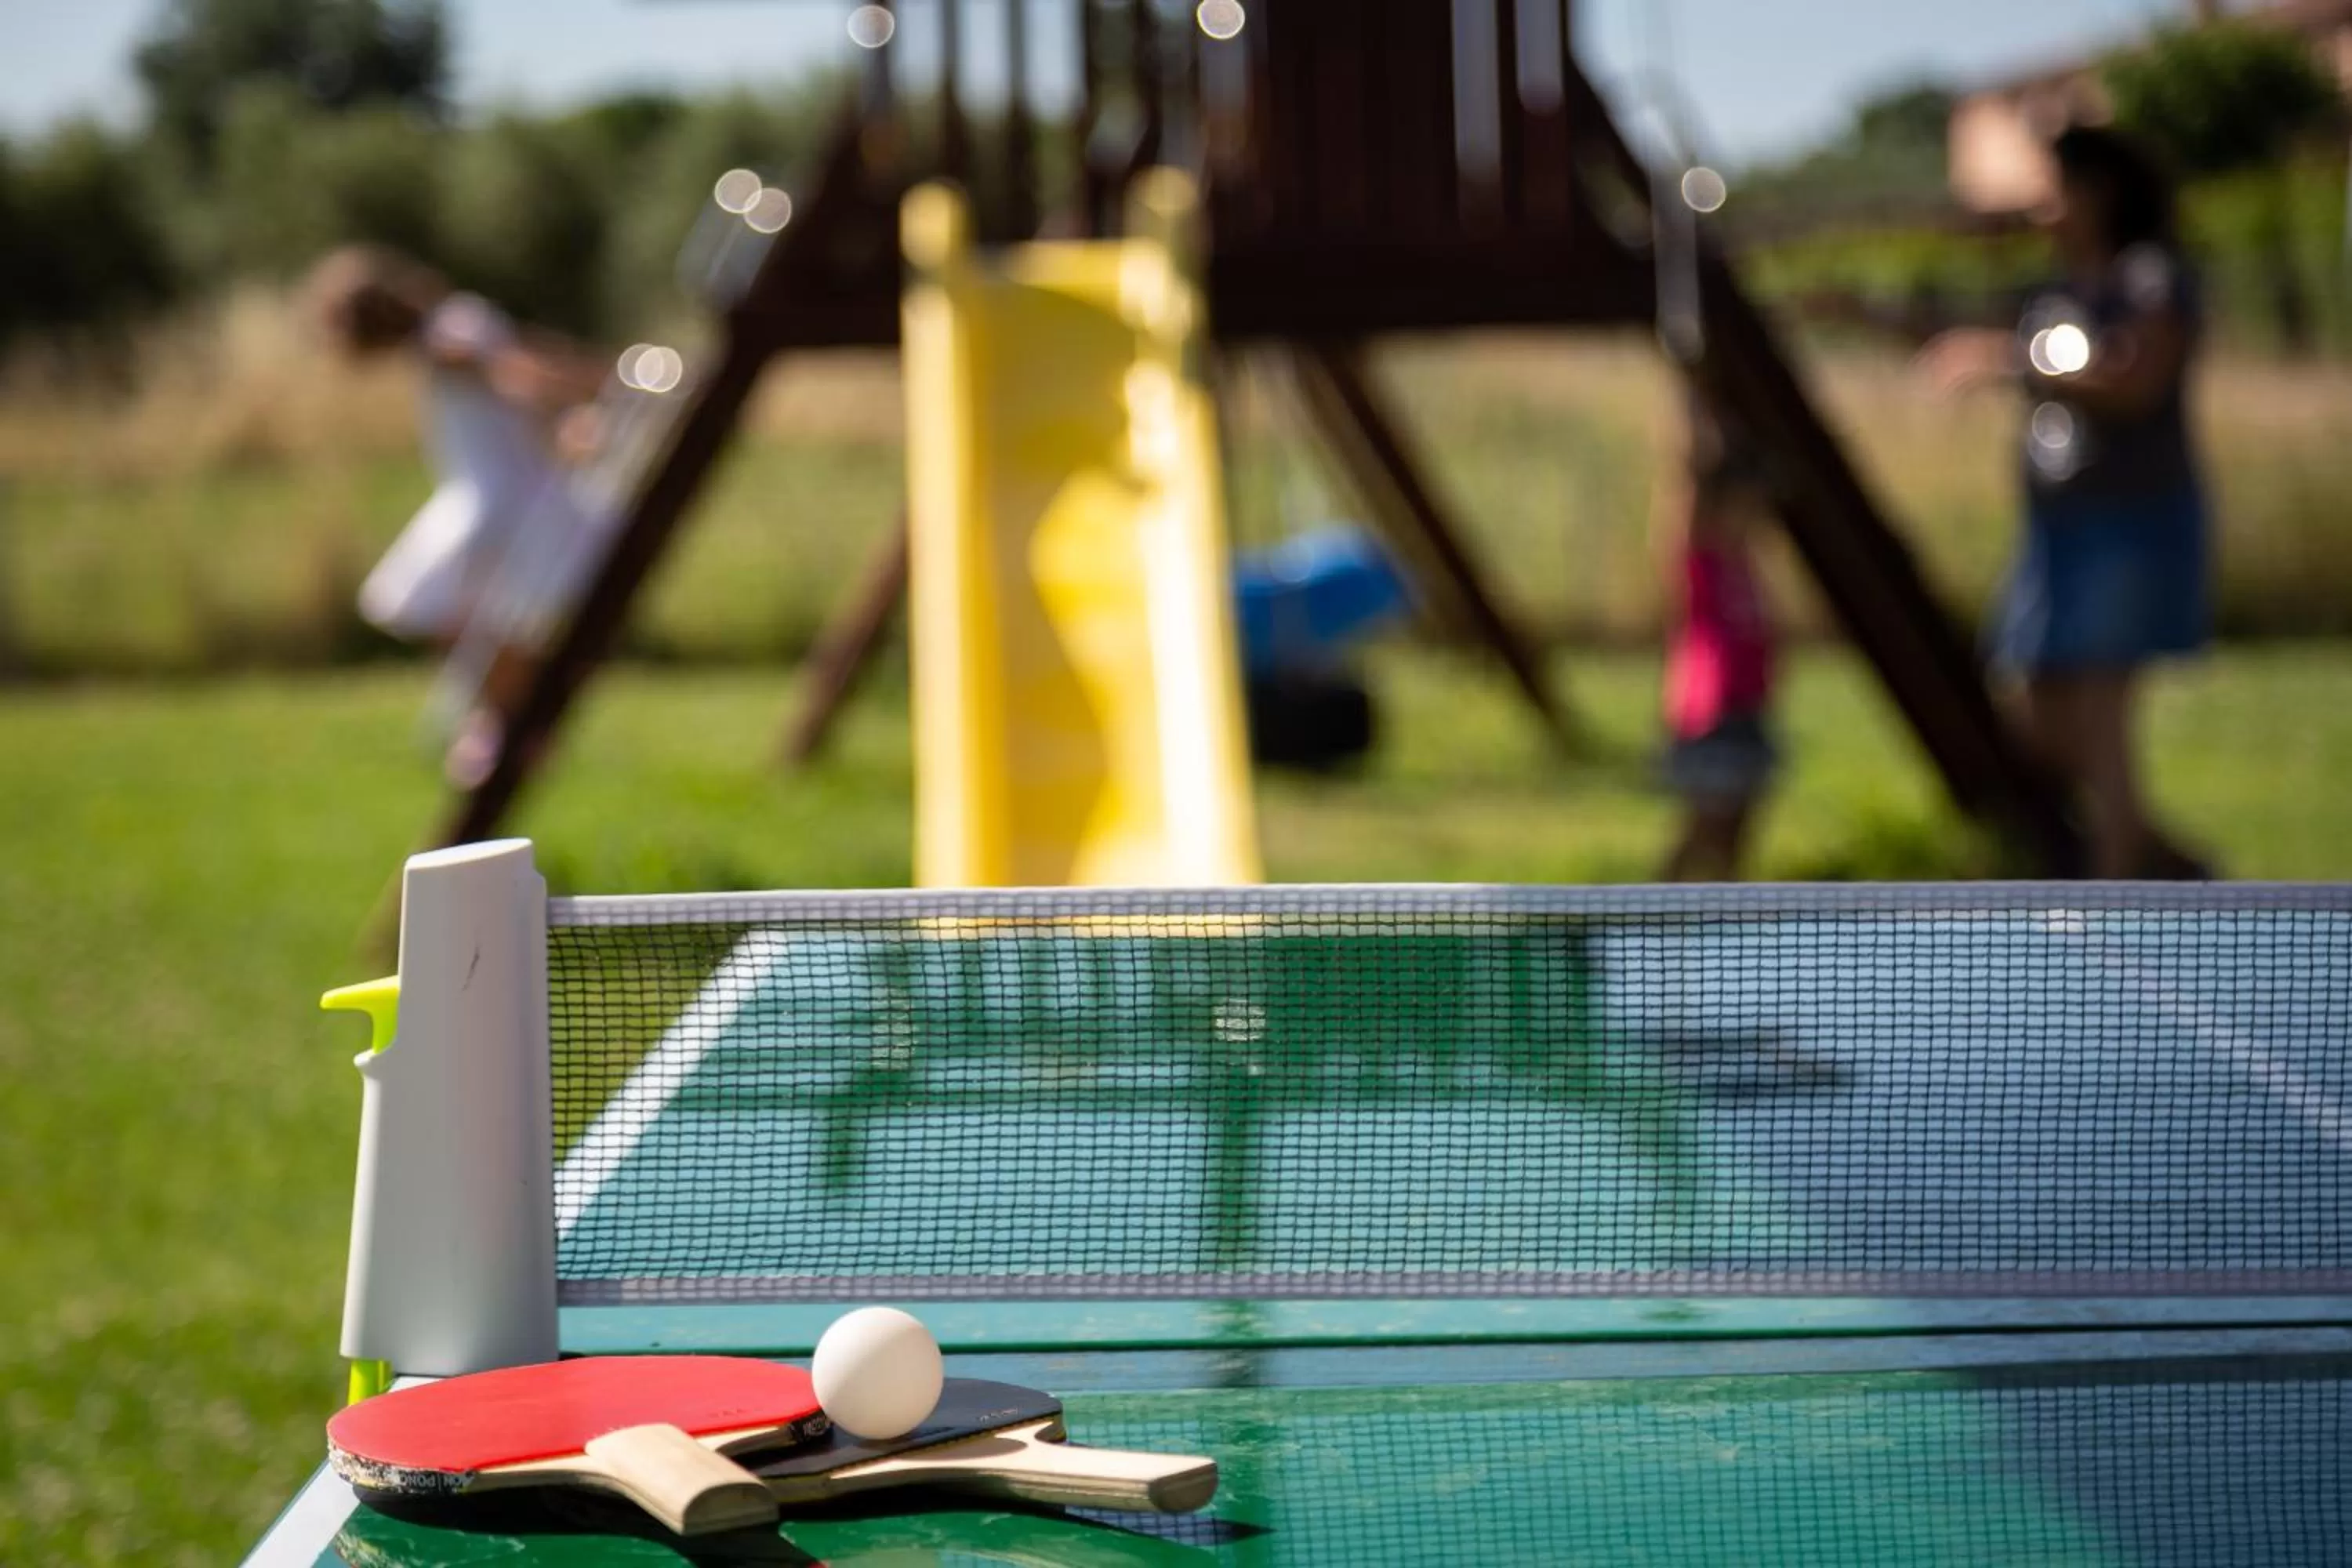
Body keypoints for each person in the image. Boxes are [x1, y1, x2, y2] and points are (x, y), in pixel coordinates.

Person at [1914, 126, 2210, 879]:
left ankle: (2114, 893)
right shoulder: (2054, 292)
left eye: (2052, 190)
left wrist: (2005, 365)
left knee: (2101, 714)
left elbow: (2136, 382)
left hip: (2129, 525)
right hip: (2056, 531)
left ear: (2095, 191)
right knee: (2033, 716)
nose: (2039, 209)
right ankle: (2169, 865)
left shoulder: (2148, 277)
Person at [302, 245, 614, 782]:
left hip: (495, 501)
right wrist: (569, 407)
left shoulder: (447, 339)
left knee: (449, 611)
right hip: (493, 492)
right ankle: (505, 719)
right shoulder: (451, 327)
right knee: (482, 620)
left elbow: (517, 374)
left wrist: (582, 395)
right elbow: (518, 382)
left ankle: (511, 719)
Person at [1658, 389, 1780, 882]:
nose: (1749, 515)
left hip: (1748, 712)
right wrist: (1691, 401)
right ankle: (1642, 910)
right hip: (1709, 712)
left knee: (1739, 831)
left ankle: (1722, 932)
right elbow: (1684, 476)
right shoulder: (1698, 561)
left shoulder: (1746, 565)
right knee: (1703, 823)